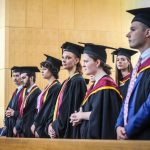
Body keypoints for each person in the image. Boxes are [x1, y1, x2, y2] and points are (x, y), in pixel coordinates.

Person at [70, 43, 122, 139]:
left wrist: (82, 115)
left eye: (86, 61)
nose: (83, 65)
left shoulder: (107, 85)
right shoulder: (95, 85)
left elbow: (106, 115)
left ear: (97, 63)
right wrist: (78, 117)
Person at [116, 7, 150, 140]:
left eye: (133, 29)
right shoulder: (138, 66)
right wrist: (119, 125)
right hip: (131, 137)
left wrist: (128, 129)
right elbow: (127, 99)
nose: (127, 34)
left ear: (147, 32)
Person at [48, 42, 87, 138]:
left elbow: (68, 110)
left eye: (68, 58)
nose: (64, 60)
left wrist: (55, 126)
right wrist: (50, 125)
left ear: (76, 60)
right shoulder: (67, 81)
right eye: (63, 57)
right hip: (59, 127)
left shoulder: (77, 81)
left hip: (69, 131)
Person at [31, 55, 61, 138]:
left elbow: (48, 109)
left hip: (45, 127)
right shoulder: (48, 87)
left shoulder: (56, 87)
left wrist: (37, 125)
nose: (42, 71)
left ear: (52, 70)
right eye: (42, 69)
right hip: (40, 125)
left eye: (44, 69)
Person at [13, 66, 41, 137]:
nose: (21, 80)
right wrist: (17, 126)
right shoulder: (27, 92)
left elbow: (31, 114)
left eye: (23, 78)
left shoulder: (37, 93)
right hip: (22, 129)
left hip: (29, 130)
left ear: (31, 78)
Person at [2, 67, 25, 137]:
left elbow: (25, 111)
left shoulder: (25, 91)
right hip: (10, 126)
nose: (15, 78)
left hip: (18, 128)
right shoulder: (15, 92)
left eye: (17, 76)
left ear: (22, 77)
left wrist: (14, 113)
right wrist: (7, 115)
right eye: (13, 76)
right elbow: (9, 108)